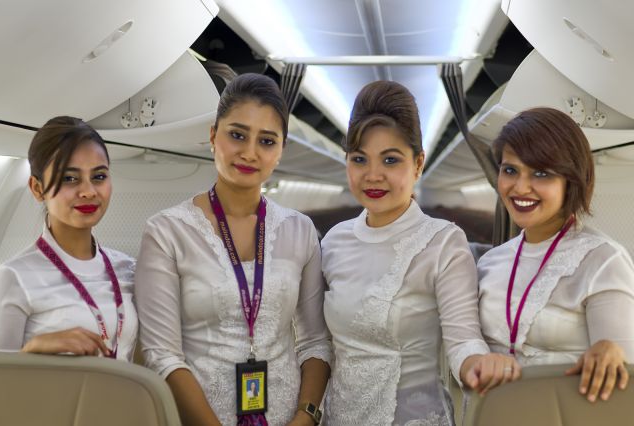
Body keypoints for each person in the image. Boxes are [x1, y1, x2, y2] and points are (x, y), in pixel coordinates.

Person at [135, 73, 331, 426]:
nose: (249, 152)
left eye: (267, 141)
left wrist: (306, 417)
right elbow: (162, 354)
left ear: (281, 149)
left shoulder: (299, 230)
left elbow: (316, 342)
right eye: (237, 135)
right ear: (213, 136)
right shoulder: (167, 231)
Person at [321, 81, 520, 426]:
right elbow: (318, 343)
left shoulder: (443, 242)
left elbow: (464, 341)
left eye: (390, 160)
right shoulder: (333, 242)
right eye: (359, 159)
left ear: (418, 163)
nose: (373, 175)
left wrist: (479, 365)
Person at [478, 107, 634, 402]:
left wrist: (612, 351)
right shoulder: (490, 262)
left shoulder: (603, 261)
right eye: (510, 170)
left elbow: (623, 381)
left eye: (541, 173)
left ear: (571, 181)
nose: (520, 187)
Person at [0, 116, 137, 360]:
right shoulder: (13, 278)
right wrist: (30, 351)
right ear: (37, 188)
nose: (88, 191)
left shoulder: (128, 269)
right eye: (69, 178)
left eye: (99, 177)